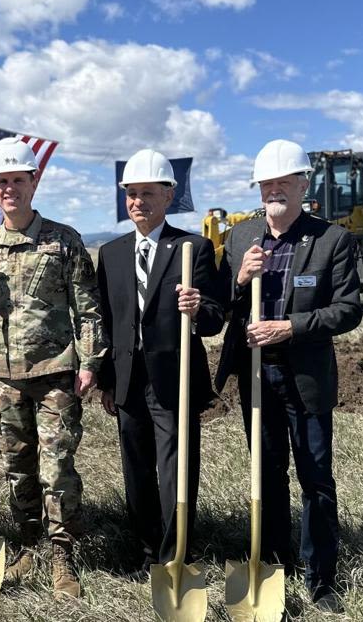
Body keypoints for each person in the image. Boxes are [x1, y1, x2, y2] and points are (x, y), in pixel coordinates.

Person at [215, 139, 362, 613]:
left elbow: (348, 310)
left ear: (303, 185)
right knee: (267, 472)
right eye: (266, 184)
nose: (274, 191)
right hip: (255, 377)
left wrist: (289, 328)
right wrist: (239, 280)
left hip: (305, 375)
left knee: (315, 477)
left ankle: (321, 579)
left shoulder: (331, 239)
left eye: (283, 182)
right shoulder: (240, 238)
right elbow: (220, 306)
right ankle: (274, 566)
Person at [0, 137, 105, 599]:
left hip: (57, 374)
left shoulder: (63, 241)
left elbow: (88, 308)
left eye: (17, 180)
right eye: (1, 182)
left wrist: (91, 363)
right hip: (5, 377)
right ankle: (28, 544)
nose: (9, 189)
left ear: (33, 181)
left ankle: (63, 554)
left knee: (56, 467)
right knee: (17, 467)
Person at [95, 149, 225, 571]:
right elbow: (107, 321)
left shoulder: (193, 247)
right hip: (129, 379)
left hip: (175, 379)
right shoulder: (111, 254)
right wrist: (107, 380)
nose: (138, 202)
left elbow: (213, 320)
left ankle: (177, 553)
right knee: (136, 470)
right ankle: (147, 550)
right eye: (131, 194)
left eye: (148, 193)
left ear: (169, 196)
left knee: (175, 470)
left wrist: (198, 306)